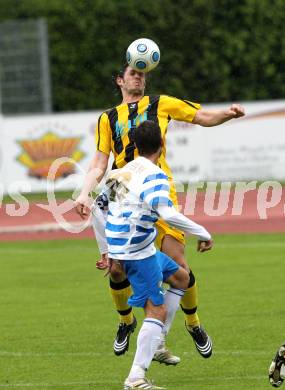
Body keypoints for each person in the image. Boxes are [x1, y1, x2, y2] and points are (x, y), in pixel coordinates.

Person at [75, 63, 245, 363]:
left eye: (142, 73)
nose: (139, 77)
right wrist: (84, 191)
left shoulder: (161, 103)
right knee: (115, 269)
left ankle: (192, 324)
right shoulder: (108, 118)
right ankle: (126, 321)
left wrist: (227, 114)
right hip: (122, 197)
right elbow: (100, 163)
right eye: (133, 73)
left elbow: (201, 116)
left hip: (157, 191)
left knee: (179, 264)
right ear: (120, 80)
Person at [92, 120, 213, 389]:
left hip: (131, 248)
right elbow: (167, 214)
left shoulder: (120, 172)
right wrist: (204, 232)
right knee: (155, 310)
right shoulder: (156, 174)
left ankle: (157, 339)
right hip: (138, 254)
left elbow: (96, 209)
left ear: (135, 145)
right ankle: (136, 376)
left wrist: (107, 249)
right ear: (162, 145)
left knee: (181, 278)